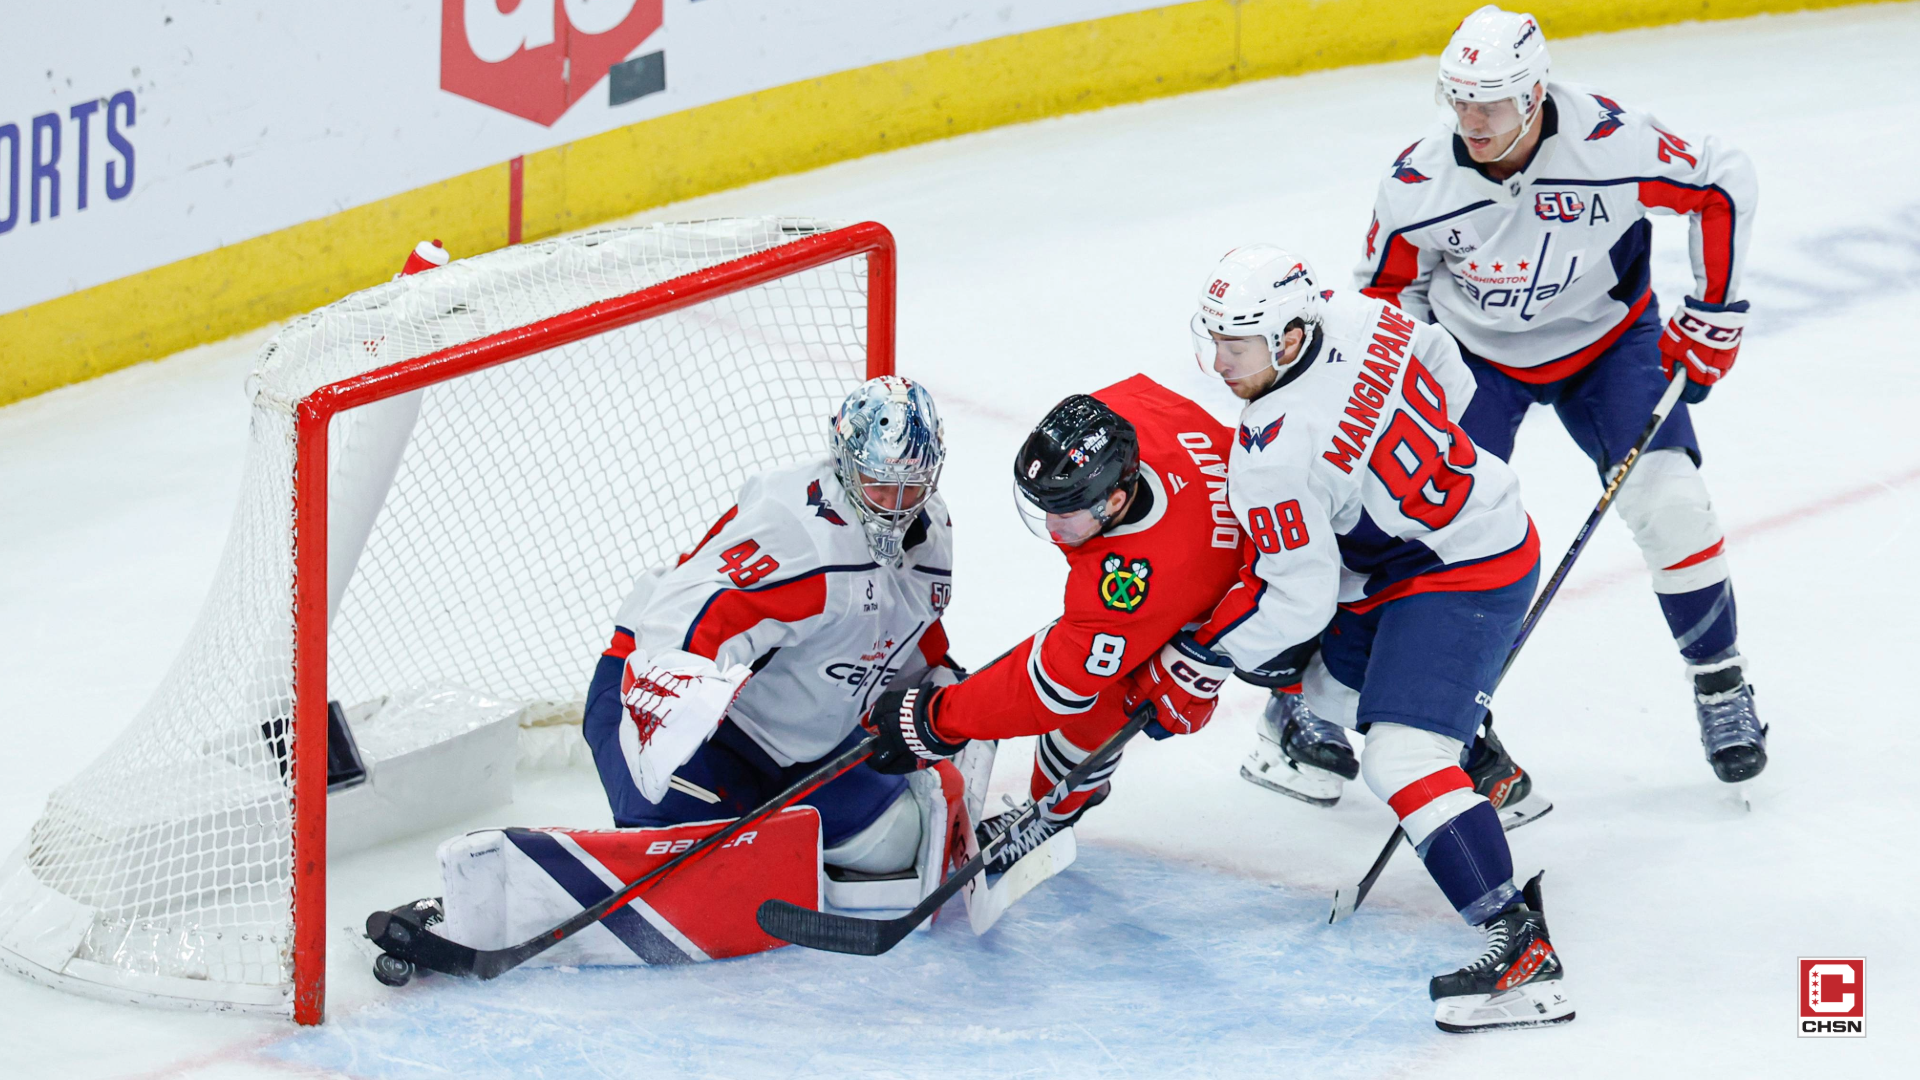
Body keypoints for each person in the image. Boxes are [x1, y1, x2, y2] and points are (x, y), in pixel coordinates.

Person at [1356, 5, 1764, 784]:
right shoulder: (1418, 183)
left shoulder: (1610, 142)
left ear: (1535, 94)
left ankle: (1720, 682)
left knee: (1672, 501)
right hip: (1474, 359)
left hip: (1609, 343)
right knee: (1422, 532)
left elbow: (1721, 181)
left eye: (1490, 102)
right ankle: (1393, 704)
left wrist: (1716, 309)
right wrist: (1409, 388)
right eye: (1459, 100)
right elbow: (1387, 294)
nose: (1471, 120)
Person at [1190, 243, 1570, 1031]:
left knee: (1398, 758)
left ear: (1291, 336)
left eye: (1238, 345)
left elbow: (1297, 604)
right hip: (1452, 535)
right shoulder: (1361, 316)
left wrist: (1207, 654)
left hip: (1463, 573)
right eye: (1215, 339)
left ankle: (1520, 945)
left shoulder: (1269, 452)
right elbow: (1450, 370)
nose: (1220, 363)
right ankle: (1475, 750)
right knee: (1328, 684)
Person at [579, 375, 969, 913]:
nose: (895, 505)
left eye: (912, 486)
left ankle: (765, 834)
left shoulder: (935, 532)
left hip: (803, 749)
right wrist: (669, 704)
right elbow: (687, 612)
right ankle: (696, 836)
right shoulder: (801, 533)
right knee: (693, 868)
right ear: (845, 462)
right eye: (878, 483)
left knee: (896, 845)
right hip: (677, 713)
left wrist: (940, 694)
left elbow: (909, 637)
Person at [861, 377, 1246, 874]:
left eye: (1065, 512)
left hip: (1268, 601)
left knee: (1111, 701)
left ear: (1115, 501)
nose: (1050, 525)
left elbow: (1051, 690)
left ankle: (1050, 815)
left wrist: (936, 721)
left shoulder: (1128, 592)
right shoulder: (1125, 414)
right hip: (1264, 531)